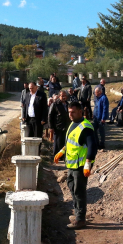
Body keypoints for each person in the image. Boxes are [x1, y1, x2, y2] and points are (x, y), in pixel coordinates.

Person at [53, 101, 97, 229]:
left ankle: (80, 219)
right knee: (72, 188)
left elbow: (92, 146)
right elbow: (71, 142)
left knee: (79, 192)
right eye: (69, 112)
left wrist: (88, 163)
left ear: (80, 112)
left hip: (80, 166)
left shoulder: (86, 127)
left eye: (73, 112)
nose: (70, 114)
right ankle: (77, 214)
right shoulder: (73, 124)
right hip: (72, 165)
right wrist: (62, 151)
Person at [49, 91, 70, 155]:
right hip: (58, 126)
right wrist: (51, 127)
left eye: (65, 96)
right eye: (62, 96)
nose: (64, 97)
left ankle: (62, 156)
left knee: (64, 142)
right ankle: (56, 156)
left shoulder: (68, 104)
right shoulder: (55, 104)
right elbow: (50, 115)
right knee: (57, 142)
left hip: (66, 125)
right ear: (59, 96)